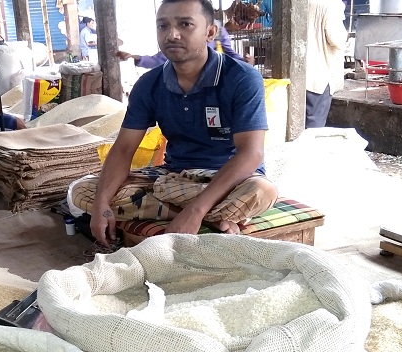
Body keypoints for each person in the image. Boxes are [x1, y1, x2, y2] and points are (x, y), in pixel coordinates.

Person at [70, 0, 277, 246]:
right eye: (163, 26)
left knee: (262, 192)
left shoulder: (242, 78)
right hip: (173, 176)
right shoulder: (149, 84)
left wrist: (196, 210)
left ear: (210, 32)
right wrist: (102, 203)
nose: (172, 34)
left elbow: (251, 154)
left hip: (230, 180)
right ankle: (217, 216)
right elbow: (124, 148)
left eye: (185, 24)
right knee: (82, 190)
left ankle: (190, 210)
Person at [117, 21, 252, 67]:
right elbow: (161, 59)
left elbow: (230, 53)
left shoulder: (218, 30)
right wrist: (135, 57)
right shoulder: (177, 36)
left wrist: (245, 62)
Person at [305, 0, 347, 128]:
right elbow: (337, 39)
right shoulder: (331, 5)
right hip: (319, 76)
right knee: (314, 124)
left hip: (299, 73)